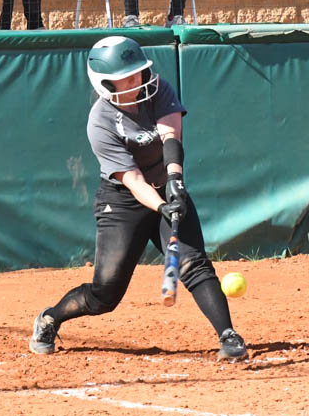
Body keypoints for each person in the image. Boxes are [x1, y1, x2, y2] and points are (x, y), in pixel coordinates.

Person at [28, 36, 247, 362]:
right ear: (105, 83)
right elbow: (132, 180)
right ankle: (50, 318)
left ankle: (228, 336)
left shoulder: (159, 90)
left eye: (138, 72)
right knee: (105, 293)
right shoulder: (100, 122)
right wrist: (161, 205)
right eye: (126, 77)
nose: (137, 80)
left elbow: (171, 137)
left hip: (165, 184)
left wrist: (174, 183)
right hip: (122, 202)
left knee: (193, 263)